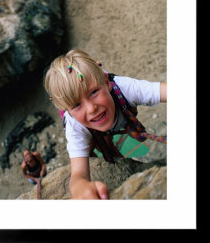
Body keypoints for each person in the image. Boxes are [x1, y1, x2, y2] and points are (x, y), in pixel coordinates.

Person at [44, 49, 167, 200]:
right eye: (76, 105)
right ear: (68, 111)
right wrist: (81, 188)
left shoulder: (125, 88)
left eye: (94, 92)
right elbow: (78, 176)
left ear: (107, 82)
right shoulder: (75, 125)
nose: (91, 108)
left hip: (112, 107)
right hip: (91, 125)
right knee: (91, 147)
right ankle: (110, 150)